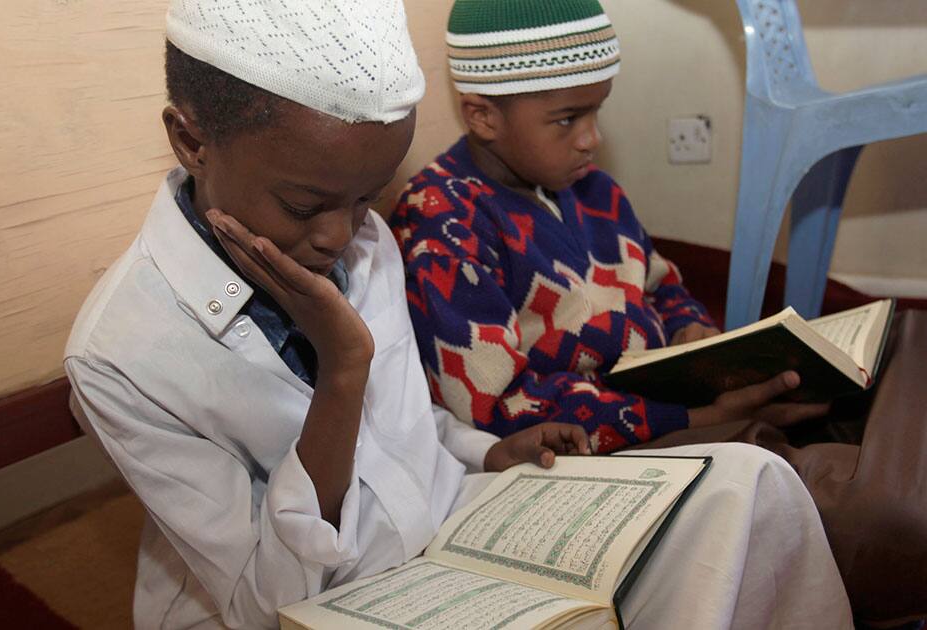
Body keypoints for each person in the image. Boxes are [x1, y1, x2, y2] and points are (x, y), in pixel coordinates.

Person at [64, 0, 852, 628]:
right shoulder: (121, 354)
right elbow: (265, 597)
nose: (342, 236)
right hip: (310, 600)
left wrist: (486, 451)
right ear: (190, 141)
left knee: (745, 485)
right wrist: (343, 369)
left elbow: (408, 427)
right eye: (306, 204)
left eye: (364, 199)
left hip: (449, 522)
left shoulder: (366, 239)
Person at [390, 0, 927, 624]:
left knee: (909, 338)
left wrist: (693, 328)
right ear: (483, 114)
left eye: (597, 110)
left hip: (683, 393)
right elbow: (498, 406)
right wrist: (696, 412)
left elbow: (659, 280)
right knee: (874, 503)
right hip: (618, 445)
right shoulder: (442, 220)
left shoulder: (594, 191)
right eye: (567, 119)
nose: (592, 138)